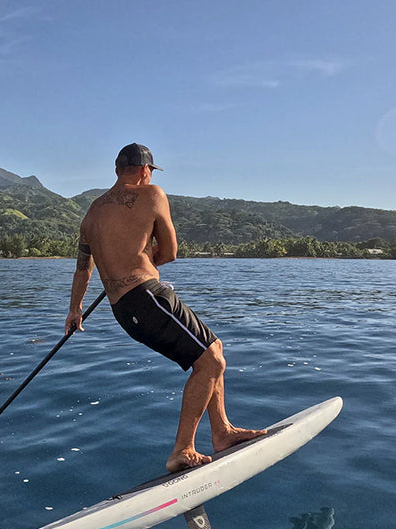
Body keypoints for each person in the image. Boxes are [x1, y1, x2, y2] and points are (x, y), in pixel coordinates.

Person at [65, 143, 265, 473]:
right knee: (212, 360)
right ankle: (183, 449)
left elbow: (83, 267)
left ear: (117, 172)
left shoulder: (92, 214)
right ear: (146, 171)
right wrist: (146, 259)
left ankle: (222, 431)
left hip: (124, 311)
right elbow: (170, 252)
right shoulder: (153, 194)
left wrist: (75, 310)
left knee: (212, 351)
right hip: (148, 297)